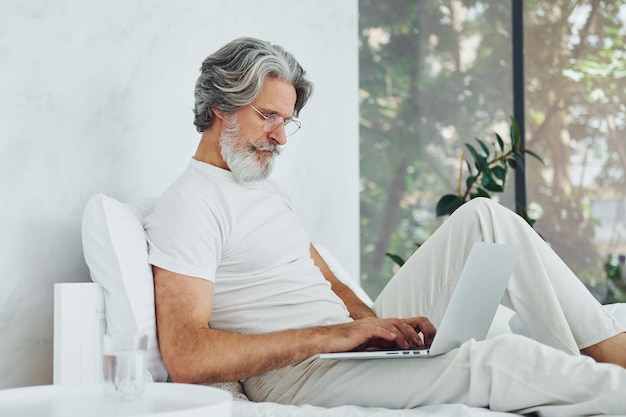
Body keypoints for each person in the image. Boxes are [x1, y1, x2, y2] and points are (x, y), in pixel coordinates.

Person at [145, 37, 626, 416]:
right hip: (296, 372)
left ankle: (607, 351)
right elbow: (187, 357)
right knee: (495, 359)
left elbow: (316, 270)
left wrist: (365, 321)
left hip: (340, 343)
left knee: (485, 218)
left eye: (287, 121)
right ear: (220, 106)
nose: (280, 137)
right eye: (267, 116)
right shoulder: (190, 204)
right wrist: (330, 337)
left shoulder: (259, 184)